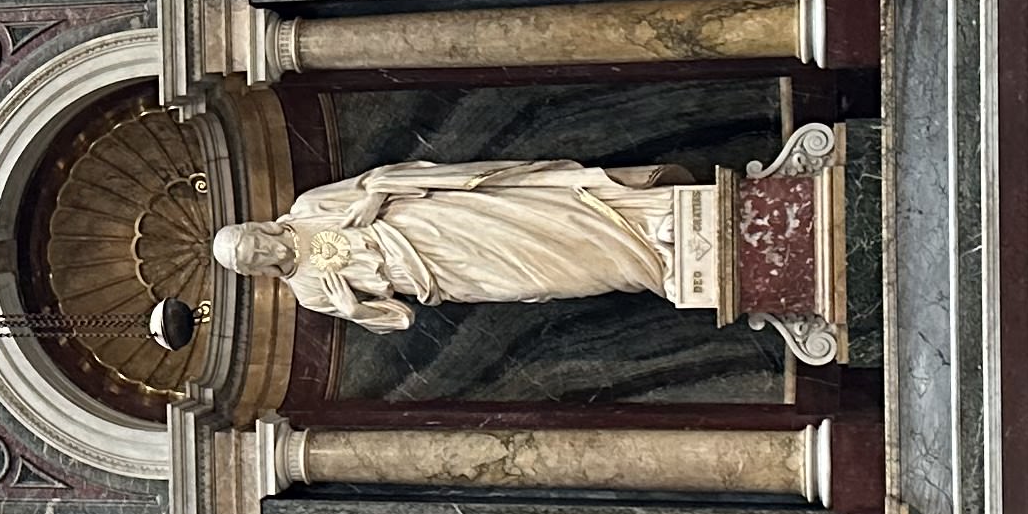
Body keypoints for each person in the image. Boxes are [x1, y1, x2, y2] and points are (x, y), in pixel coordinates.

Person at [207, 157, 708, 333]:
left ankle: (652, 222)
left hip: (433, 223)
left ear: (261, 229)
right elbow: (398, 317)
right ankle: (646, 265)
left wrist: (369, 203)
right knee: (548, 276)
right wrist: (355, 309)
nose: (265, 253)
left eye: (256, 243)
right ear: (258, 272)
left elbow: (380, 181)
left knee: (543, 221)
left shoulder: (310, 206)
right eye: (255, 262)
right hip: (441, 275)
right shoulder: (310, 293)